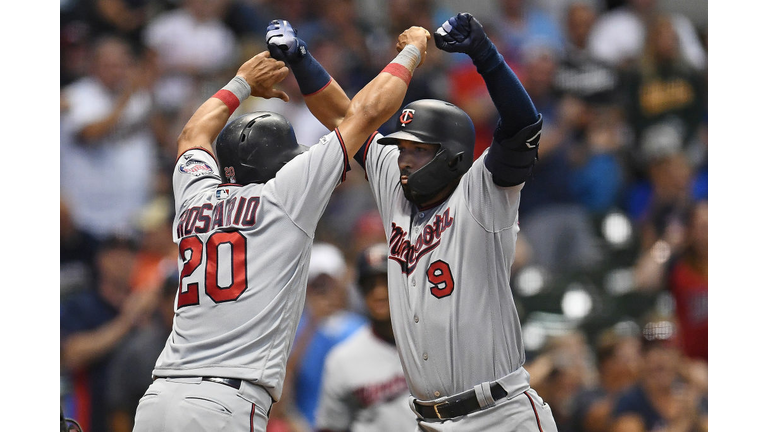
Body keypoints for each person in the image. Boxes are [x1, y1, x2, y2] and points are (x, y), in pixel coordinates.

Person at [131, 22, 432, 432]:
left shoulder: (194, 194)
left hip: (158, 398)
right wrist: (411, 52)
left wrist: (240, 82)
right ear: (279, 164)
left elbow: (192, 135)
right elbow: (366, 112)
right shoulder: (283, 197)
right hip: (223, 401)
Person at [284, 12, 559, 431]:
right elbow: (345, 118)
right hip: (428, 421)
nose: (403, 159)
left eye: (417, 150)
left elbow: (522, 125)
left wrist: (485, 55)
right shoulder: (395, 184)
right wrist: (301, 60)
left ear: (451, 155)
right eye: (401, 149)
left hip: (500, 414)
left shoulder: (483, 194)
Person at [60, 235, 159, 432]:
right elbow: (70, 354)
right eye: (114, 254)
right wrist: (126, 321)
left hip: (137, 416)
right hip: (90, 418)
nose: (122, 261)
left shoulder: (147, 306)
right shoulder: (81, 304)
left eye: (129, 254)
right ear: (100, 259)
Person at [315, 243, 416, 432]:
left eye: (386, 282)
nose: (378, 293)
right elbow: (331, 427)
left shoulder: (434, 343)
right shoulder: (343, 359)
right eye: (370, 285)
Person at [284, 242, 367, 427]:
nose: (324, 292)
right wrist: (312, 326)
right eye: (317, 285)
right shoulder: (293, 330)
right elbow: (281, 392)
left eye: (329, 283)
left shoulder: (360, 328)